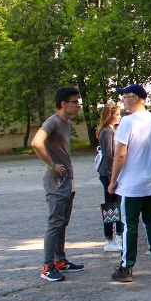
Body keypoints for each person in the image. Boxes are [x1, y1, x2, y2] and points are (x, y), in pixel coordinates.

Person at [108, 84, 151, 282]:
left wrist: (113, 181)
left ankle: (126, 267)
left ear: (135, 98)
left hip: (132, 184)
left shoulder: (127, 122)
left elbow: (120, 154)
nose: (122, 100)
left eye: (125, 97)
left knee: (130, 224)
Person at [31, 87, 85, 282]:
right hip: (56, 181)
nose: (78, 105)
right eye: (75, 102)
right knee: (55, 223)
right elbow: (36, 143)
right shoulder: (52, 122)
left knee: (62, 222)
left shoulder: (67, 123)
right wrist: (52, 165)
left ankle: (60, 261)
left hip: (67, 179)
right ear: (63, 104)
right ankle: (47, 267)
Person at [96, 103, 123, 252]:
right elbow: (109, 156)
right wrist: (113, 178)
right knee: (110, 206)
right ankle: (109, 239)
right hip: (108, 174)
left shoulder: (111, 130)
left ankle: (117, 235)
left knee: (115, 205)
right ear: (109, 116)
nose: (119, 117)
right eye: (117, 114)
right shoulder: (107, 132)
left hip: (111, 174)